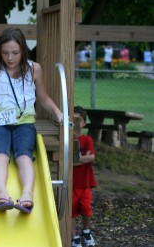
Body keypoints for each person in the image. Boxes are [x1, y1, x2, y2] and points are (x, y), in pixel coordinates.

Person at [0, 28, 63, 214]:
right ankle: (1, 194)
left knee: (24, 156)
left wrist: (58, 112)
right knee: (1, 155)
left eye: (15, 53)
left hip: (24, 124)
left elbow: (42, 97)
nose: (10, 58)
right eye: (5, 53)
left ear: (23, 51)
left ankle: (27, 195)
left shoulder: (33, 68)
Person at [72, 106, 97, 247]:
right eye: (73, 120)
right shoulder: (66, 140)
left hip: (85, 182)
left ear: (84, 123)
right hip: (72, 183)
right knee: (72, 211)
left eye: (79, 120)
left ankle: (86, 231)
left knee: (87, 208)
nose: (76, 123)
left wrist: (76, 160)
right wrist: (82, 159)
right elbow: (67, 162)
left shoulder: (86, 139)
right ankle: (74, 236)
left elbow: (91, 157)